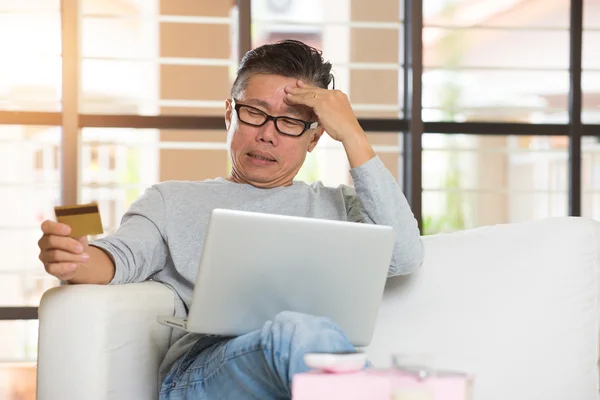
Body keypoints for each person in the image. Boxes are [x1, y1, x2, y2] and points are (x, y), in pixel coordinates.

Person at [37, 40, 424, 399]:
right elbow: (119, 256)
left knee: (307, 334)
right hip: (202, 372)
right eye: (255, 113)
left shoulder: (343, 207)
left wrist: (354, 136)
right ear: (229, 114)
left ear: (315, 136)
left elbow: (405, 256)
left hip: (305, 370)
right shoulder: (172, 200)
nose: (267, 135)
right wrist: (74, 257)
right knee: (301, 329)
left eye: (290, 122)